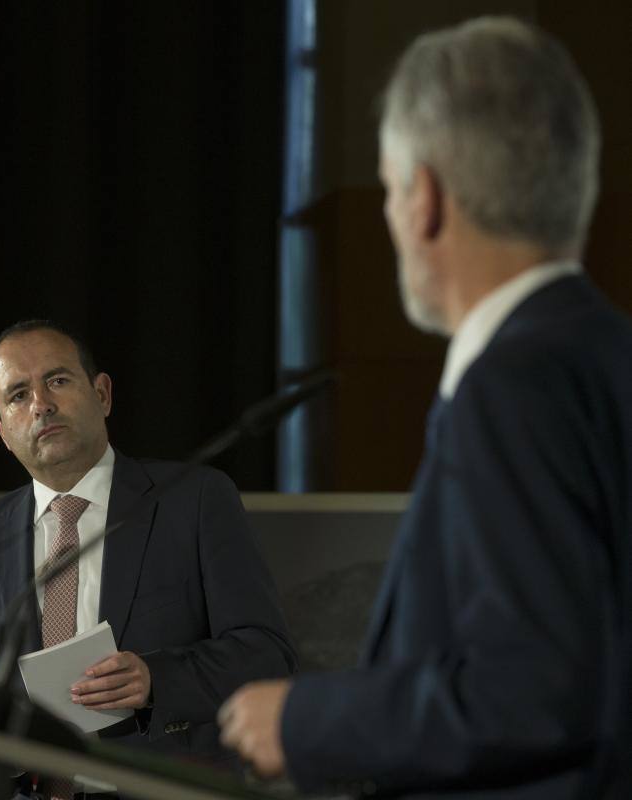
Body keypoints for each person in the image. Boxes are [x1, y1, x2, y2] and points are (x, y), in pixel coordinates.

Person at [218, 16, 632, 799]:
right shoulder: (607, 356)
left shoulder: (509, 388)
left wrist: (303, 721)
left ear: (425, 198)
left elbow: (533, 690)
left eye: (387, 185)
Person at [0, 319, 297, 794]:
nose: (41, 404)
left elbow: (267, 653)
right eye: (18, 395)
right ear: (1, 428)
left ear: (102, 394)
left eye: (57, 380)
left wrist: (155, 677)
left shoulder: (193, 500)